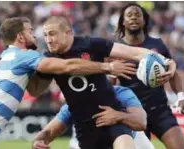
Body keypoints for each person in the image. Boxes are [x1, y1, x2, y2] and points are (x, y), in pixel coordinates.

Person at [0, 17, 132, 149]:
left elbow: (35, 90)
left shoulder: (8, 55)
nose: (36, 36)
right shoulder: (24, 56)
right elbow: (67, 66)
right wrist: (107, 67)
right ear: (20, 37)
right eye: (30, 31)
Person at [35, 15, 176, 149]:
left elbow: (134, 53)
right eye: (45, 35)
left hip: (113, 120)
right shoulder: (49, 59)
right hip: (85, 131)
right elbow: (48, 131)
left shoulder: (90, 45)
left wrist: (166, 61)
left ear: (68, 32)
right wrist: (40, 140)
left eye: (52, 34)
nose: (48, 40)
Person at [112, 3, 184, 149]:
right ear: (123, 21)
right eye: (129, 15)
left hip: (159, 110)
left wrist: (181, 97)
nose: (134, 18)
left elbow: (173, 73)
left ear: (144, 20)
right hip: (133, 113)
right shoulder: (116, 50)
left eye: (137, 15)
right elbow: (110, 85)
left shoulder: (157, 45)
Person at [33, 85, 154, 149]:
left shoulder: (120, 93)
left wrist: (118, 116)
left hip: (134, 142)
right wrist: (39, 141)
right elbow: (48, 132)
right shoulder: (75, 102)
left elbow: (142, 122)